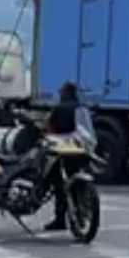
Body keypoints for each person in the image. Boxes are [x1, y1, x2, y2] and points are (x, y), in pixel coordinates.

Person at [42, 81, 83, 232]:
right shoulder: (81, 108)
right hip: (79, 150)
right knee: (76, 184)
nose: (59, 93)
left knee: (59, 184)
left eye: (61, 91)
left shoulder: (59, 108)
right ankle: (78, 217)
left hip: (62, 150)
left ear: (65, 92)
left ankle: (61, 218)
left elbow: (49, 128)